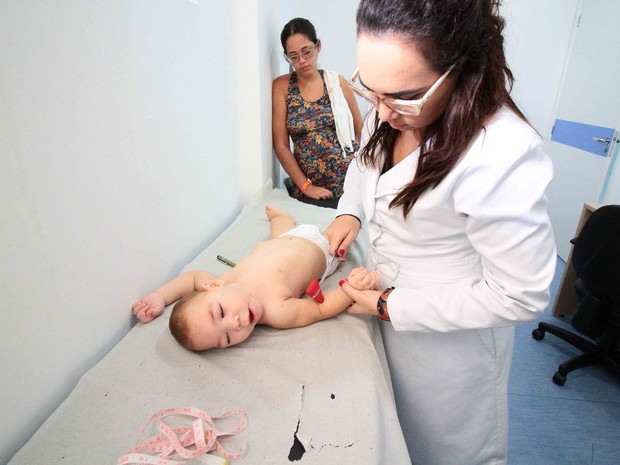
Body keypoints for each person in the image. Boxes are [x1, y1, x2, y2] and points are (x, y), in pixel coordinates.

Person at [324, 1, 557, 464]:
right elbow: (362, 168)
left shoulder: (501, 151)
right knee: (395, 438)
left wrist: (393, 305)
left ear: (461, 68)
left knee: (445, 451)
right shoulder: (391, 106)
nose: (383, 112)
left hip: (449, 343)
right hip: (386, 308)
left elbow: (522, 294)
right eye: (370, 90)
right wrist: (349, 213)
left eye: (403, 97)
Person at [131, 205, 378, 351]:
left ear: (212, 287)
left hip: (282, 239)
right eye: (226, 339)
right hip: (322, 248)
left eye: (220, 313)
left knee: (280, 227)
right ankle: (289, 224)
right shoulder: (276, 311)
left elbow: (191, 277)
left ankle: (283, 218)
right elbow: (320, 309)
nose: (235, 324)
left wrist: (160, 297)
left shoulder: (221, 281)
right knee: (342, 240)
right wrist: (350, 290)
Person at [272, 17, 363, 208]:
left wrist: (365, 179)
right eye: (294, 56)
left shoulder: (337, 83)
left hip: (351, 185)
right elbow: (281, 145)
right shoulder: (282, 87)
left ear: (318, 46)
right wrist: (306, 187)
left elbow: (362, 132)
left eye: (307, 52)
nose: (302, 61)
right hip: (310, 190)